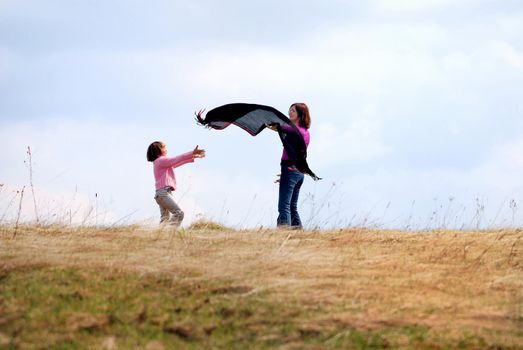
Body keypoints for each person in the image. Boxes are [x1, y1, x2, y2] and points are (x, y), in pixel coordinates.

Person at [267, 103, 311, 229]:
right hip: (297, 172)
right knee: (292, 207)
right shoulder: (305, 132)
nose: (289, 113)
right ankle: (299, 234)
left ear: (300, 115)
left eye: (293, 111)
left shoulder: (293, 129)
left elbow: (277, 127)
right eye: (289, 110)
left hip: (291, 170)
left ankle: (283, 234)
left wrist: (263, 121)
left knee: (284, 206)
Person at [146, 141, 205, 227]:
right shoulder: (161, 160)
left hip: (161, 194)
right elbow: (177, 159)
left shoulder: (160, 162)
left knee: (164, 220)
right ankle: (169, 234)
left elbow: (177, 163)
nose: (166, 149)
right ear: (158, 150)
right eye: (164, 147)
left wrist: (194, 156)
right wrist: (192, 152)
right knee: (179, 213)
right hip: (163, 193)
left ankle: (161, 236)